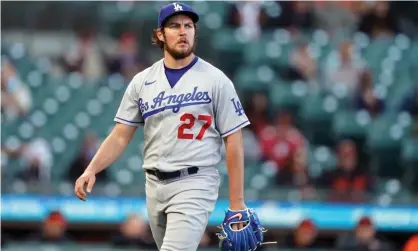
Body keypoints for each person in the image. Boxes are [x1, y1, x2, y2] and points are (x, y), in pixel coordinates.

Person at [74, 2, 252, 251]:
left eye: (189, 26)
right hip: (154, 185)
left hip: (195, 181)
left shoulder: (216, 80)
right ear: (160, 34)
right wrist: (92, 169)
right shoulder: (142, 81)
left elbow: (233, 139)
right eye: (175, 26)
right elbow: (120, 136)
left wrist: (237, 202)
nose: (183, 32)